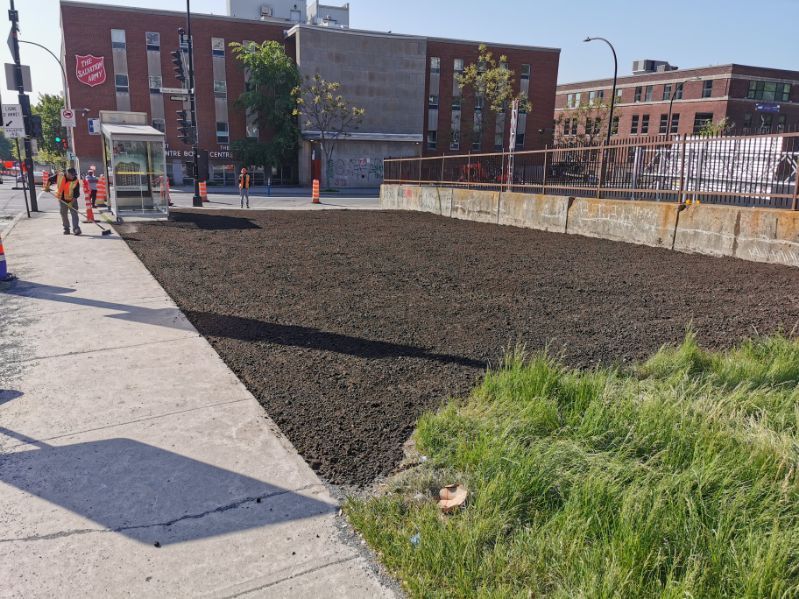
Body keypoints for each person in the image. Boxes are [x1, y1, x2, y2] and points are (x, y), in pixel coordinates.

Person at [50, 168, 82, 236]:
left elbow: (76, 194)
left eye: (74, 175)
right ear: (67, 173)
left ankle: (76, 229)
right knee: (63, 214)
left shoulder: (75, 181)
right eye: (71, 175)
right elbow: (50, 180)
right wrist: (47, 186)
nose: (73, 176)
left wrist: (71, 202)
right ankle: (66, 229)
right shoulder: (59, 176)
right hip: (62, 200)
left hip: (72, 200)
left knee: (74, 214)